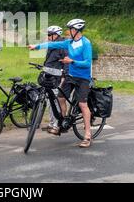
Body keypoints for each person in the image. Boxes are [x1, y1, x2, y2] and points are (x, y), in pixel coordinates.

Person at [29, 19, 93, 148]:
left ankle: (87, 134)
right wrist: (36, 46)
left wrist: (72, 61)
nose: (67, 32)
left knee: (82, 104)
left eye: (69, 29)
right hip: (71, 77)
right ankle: (62, 122)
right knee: (60, 98)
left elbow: (87, 62)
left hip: (83, 78)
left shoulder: (86, 43)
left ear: (75, 30)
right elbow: (53, 45)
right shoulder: (69, 42)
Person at [42, 26, 67, 134]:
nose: (47, 37)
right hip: (49, 75)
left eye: (49, 35)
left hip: (57, 76)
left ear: (56, 35)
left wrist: (63, 76)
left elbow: (66, 60)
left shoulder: (62, 45)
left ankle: (57, 124)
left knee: (55, 101)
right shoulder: (52, 45)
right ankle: (52, 123)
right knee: (49, 100)